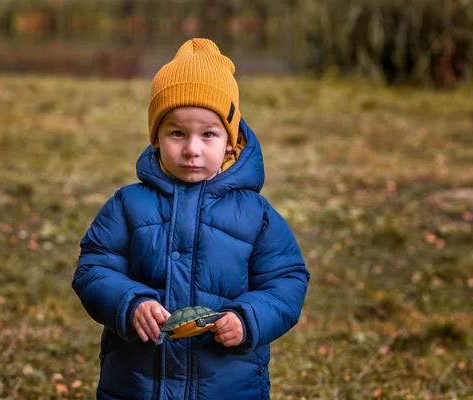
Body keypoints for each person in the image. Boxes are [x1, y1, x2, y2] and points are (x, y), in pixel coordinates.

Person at [72, 38, 310, 400]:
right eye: (177, 133)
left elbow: (287, 280)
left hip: (228, 384)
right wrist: (130, 302)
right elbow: (93, 268)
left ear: (231, 143)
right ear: (156, 138)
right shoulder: (127, 205)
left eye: (209, 134)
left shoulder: (256, 215)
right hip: (137, 383)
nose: (192, 149)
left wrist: (250, 318)